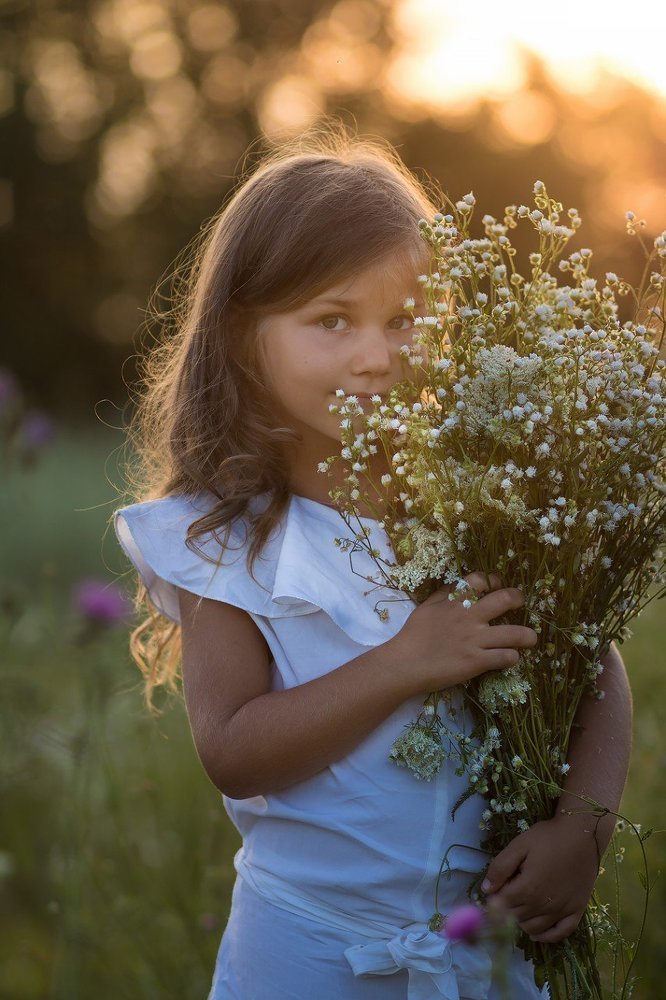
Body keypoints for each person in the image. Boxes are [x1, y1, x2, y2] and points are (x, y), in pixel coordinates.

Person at [113, 123, 633, 999]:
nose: (376, 355)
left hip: (487, 948)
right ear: (247, 341)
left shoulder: (483, 505)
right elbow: (235, 750)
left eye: (407, 319)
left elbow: (595, 667)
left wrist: (583, 833)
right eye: (331, 320)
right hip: (305, 954)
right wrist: (403, 664)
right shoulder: (228, 536)